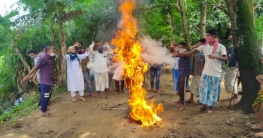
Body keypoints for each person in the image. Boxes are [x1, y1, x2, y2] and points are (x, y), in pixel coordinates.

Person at [174, 29, 227, 114]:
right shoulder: (204, 47)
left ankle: (210, 107)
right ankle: (204, 104)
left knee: (212, 91)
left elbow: (225, 58)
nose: (206, 37)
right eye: (206, 35)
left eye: (208, 35)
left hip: (216, 73)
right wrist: (177, 54)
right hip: (205, 72)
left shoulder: (221, 47)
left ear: (213, 36)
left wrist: (215, 57)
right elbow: (190, 53)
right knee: (203, 90)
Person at [23, 45, 56, 117]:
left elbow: (39, 67)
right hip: (45, 80)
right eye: (53, 49)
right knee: (45, 96)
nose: (54, 50)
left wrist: (31, 76)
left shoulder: (49, 57)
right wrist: (28, 76)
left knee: (46, 96)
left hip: (48, 80)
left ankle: (44, 109)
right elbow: (36, 67)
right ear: (49, 50)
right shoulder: (43, 57)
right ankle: (44, 112)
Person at [186, 38, 206, 103]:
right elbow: (193, 61)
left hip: (202, 72)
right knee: (193, 85)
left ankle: (201, 99)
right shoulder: (195, 51)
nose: (198, 45)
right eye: (198, 44)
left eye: (200, 44)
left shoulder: (205, 51)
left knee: (201, 86)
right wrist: (191, 69)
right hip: (195, 71)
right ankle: (191, 98)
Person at [176, 42, 191, 108]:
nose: (179, 48)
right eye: (178, 47)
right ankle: (181, 100)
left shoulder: (186, 53)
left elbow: (180, 55)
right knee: (180, 87)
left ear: (184, 47)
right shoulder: (181, 52)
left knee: (183, 88)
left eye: (180, 47)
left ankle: (183, 103)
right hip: (180, 72)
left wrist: (175, 53)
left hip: (185, 73)